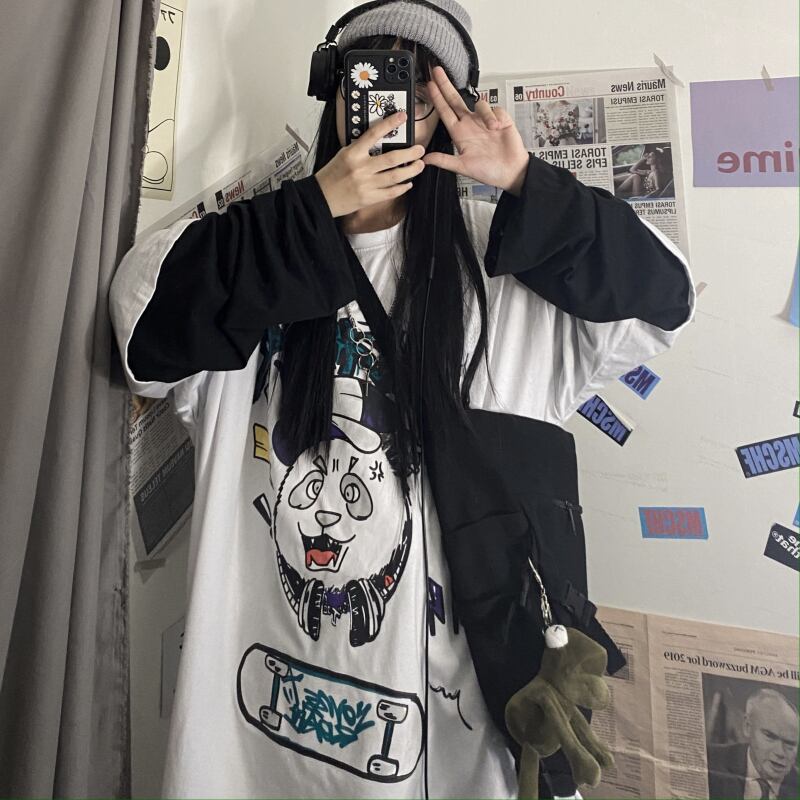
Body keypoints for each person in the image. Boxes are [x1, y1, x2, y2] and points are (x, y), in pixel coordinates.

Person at [109, 1, 695, 797]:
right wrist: (310, 212)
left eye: (422, 92)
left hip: (460, 750)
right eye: (370, 79)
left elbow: (666, 297)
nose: (392, 111)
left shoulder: (506, 268)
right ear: (332, 92)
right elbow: (139, 324)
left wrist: (527, 184)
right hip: (251, 753)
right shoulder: (259, 254)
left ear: (452, 114)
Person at [707, 689, 799, 799]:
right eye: (770, 736)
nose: (780, 752)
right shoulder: (709, 760)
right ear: (747, 727)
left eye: (790, 743)